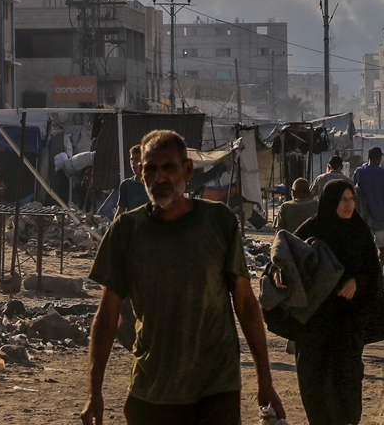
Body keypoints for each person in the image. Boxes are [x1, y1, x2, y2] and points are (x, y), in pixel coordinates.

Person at [82, 129, 284, 425]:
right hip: (152, 389)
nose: (160, 177)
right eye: (150, 168)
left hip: (215, 388)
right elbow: (106, 315)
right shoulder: (126, 230)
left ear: (187, 170)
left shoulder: (218, 221)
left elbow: (245, 304)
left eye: (168, 167)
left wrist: (264, 381)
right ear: (139, 173)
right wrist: (94, 392)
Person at [290, 180, 384, 425]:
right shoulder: (311, 229)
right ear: (330, 202)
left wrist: (356, 282)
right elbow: (287, 257)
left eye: (351, 199)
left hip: (348, 323)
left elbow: (372, 271)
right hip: (315, 321)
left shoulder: (359, 230)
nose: (348, 205)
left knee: (346, 377)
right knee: (313, 377)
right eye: (343, 200)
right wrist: (281, 275)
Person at [351, 147, 384, 265]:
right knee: (381, 247)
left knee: (366, 246)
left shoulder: (359, 172)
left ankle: (368, 269)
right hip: (380, 215)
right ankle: (379, 269)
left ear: (368, 157)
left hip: (363, 217)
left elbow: (352, 193)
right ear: (379, 158)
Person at [116, 144, 149, 217]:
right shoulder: (126, 185)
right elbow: (120, 212)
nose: (133, 163)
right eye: (132, 159)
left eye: (137, 159)